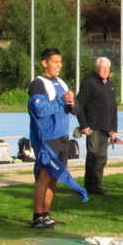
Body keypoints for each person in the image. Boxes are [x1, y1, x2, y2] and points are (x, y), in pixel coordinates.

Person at [28, 48, 88, 230]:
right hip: (47, 138)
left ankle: (46, 215)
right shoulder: (38, 84)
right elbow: (40, 110)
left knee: (55, 177)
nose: (59, 65)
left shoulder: (61, 82)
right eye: (55, 62)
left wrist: (71, 104)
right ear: (44, 63)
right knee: (45, 175)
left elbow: (75, 108)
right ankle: (37, 217)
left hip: (63, 137)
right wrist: (62, 101)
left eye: (60, 62)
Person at [76, 57, 118, 195]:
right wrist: (84, 124)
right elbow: (79, 104)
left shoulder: (110, 84)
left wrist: (114, 129)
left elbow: (113, 108)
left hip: (106, 129)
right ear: (96, 68)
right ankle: (90, 186)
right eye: (102, 68)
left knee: (102, 158)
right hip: (93, 128)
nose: (105, 70)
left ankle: (97, 185)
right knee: (93, 157)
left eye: (107, 68)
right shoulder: (89, 83)